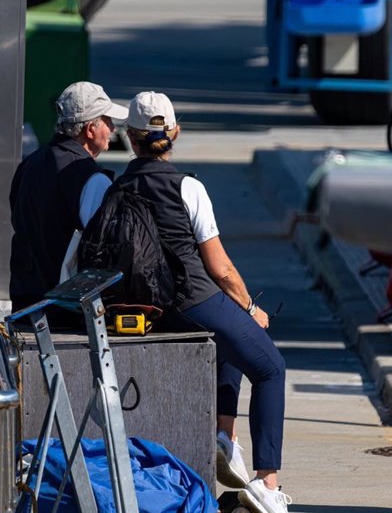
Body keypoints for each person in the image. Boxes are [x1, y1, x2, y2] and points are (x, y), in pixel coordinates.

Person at [121, 91, 291, 513]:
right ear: (175, 133)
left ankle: (224, 436)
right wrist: (251, 307)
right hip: (191, 301)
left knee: (233, 328)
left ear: (130, 137)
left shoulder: (114, 187)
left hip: (142, 311)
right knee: (270, 368)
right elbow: (221, 270)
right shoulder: (188, 187)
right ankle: (267, 482)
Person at [9, 81, 128, 327]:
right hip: (65, 315)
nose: (113, 128)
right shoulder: (91, 179)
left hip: (25, 306)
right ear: (90, 129)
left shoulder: (29, 165)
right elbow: (104, 253)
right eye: (107, 121)